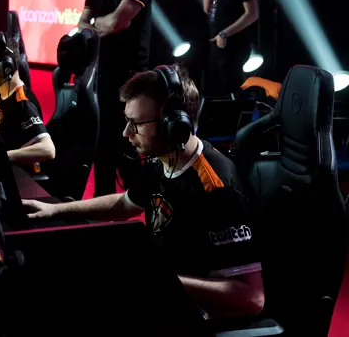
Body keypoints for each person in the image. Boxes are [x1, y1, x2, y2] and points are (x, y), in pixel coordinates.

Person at [22, 65, 265, 319]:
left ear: (174, 125)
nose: (126, 133)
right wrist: (55, 209)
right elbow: (125, 204)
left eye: (136, 124)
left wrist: (154, 277)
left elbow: (251, 298)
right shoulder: (160, 159)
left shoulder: (217, 187)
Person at [79, 0, 154, 197]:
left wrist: (96, 24)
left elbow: (116, 24)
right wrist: (99, 24)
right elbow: (81, 26)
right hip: (101, 76)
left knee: (127, 146)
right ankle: (103, 202)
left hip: (129, 79)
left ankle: (138, 203)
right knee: (101, 146)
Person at [0, 32, 55, 168]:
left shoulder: (22, 103)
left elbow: (48, 150)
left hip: (21, 175)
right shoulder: (3, 92)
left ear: (5, 69)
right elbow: (9, 125)